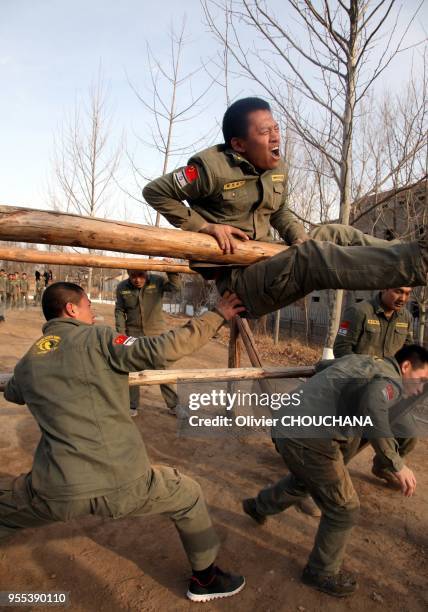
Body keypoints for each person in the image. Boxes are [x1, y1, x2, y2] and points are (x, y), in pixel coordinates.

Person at [1, 282, 246, 602]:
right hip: (124, 483)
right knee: (187, 495)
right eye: (89, 306)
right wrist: (216, 316)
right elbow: (162, 348)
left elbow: (14, 392)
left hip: (57, 488)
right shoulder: (101, 338)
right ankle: (205, 580)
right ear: (72, 309)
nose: (93, 312)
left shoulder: (29, 359)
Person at [143, 97, 427, 318]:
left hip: (270, 260)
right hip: (240, 284)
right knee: (312, 257)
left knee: (336, 233)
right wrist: (204, 226)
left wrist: (298, 237)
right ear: (239, 144)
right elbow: (155, 191)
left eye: (276, 128)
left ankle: (414, 254)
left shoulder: (278, 168)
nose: (275, 137)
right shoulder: (210, 168)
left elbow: (279, 211)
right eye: (265, 132)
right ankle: (418, 264)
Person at [242, 344, 428, 597]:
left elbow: (322, 366)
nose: (420, 388)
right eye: (422, 379)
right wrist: (397, 463)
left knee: (305, 481)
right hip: (309, 438)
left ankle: (258, 506)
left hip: (286, 425)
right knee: (344, 508)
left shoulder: (362, 360)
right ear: (406, 367)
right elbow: (374, 405)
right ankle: (321, 572)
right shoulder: (391, 381)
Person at [334, 287, 416, 485]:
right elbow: (341, 350)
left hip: (388, 390)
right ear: (385, 287)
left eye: (407, 293)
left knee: (409, 434)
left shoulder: (405, 316)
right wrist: (370, 370)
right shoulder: (359, 312)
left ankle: (383, 466)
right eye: (398, 291)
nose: (403, 298)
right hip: (358, 388)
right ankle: (320, 487)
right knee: (349, 442)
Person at [115, 266, 181, 416]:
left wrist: (171, 270)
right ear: (128, 274)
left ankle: (174, 404)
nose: (137, 279)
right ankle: (132, 405)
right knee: (132, 368)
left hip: (156, 334)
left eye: (140, 275)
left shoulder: (157, 281)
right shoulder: (122, 287)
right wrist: (121, 335)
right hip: (132, 334)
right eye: (133, 275)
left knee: (162, 368)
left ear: (147, 272)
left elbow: (176, 288)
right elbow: (119, 310)